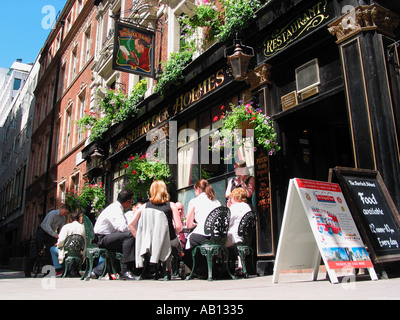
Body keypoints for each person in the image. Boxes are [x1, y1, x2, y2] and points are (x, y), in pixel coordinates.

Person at [130, 181, 182, 278]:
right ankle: (170, 270)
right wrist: (171, 232)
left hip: (150, 242)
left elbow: (131, 224)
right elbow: (179, 227)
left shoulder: (144, 206)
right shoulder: (171, 205)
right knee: (178, 245)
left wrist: (140, 239)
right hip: (169, 240)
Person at [92, 189, 136, 280]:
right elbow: (122, 228)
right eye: (132, 202)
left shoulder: (117, 207)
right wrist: (133, 230)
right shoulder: (115, 209)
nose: (131, 204)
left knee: (130, 241)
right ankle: (125, 270)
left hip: (106, 236)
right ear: (128, 201)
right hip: (103, 238)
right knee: (130, 236)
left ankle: (97, 271)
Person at [25, 204, 71, 277]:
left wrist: (60, 238)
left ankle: (46, 271)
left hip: (50, 234)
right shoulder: (52, 214)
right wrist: (54, 235)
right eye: (64, 212)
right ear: (61, 208)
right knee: (35, 251)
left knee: (49, 251)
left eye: (66, 213)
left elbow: (61, 228)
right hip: (42, 232)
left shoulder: (62, 218)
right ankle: (28, 270)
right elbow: (46, 225)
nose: (65, 214)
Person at [185, 180, 221, 249]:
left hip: (203, 235)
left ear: (198, 189)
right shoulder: (217, 202)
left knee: (191, 238)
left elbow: (188, 225)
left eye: (195, 191)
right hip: (217, 236)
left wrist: (195, 225)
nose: (195, 193)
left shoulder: (194, 201)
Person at [50, 210, 86, 277]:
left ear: (70, 219)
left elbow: (61, 240)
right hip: (79, 252)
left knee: (52, 249)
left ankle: (59, 269)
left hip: (67, 252)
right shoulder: (83, 227)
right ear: (79, 218)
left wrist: (58, 245)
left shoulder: (66, 227)